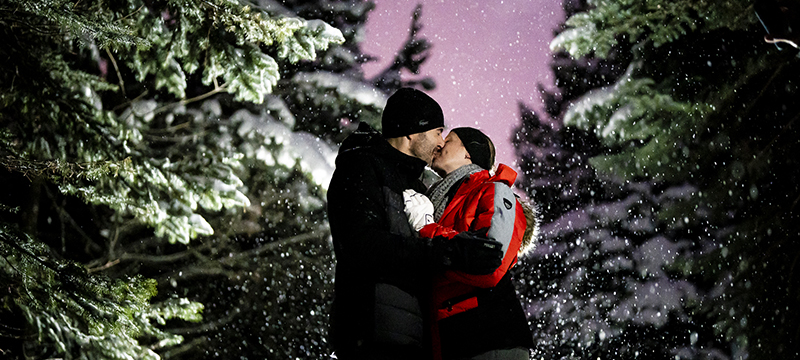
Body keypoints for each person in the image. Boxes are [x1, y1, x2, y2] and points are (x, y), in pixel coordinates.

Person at [327, 88, 505, 360]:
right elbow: (362, 245)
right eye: (437, 131)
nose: (441, 141)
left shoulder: (418, 186)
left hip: (417, 338)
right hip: (373, 331)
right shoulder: (362, 166)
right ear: (411, 132)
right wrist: (447, 252)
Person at [405, 127, 537, 360]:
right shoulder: (442, 199)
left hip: (490, 338)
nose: (440, 144)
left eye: (449, 140)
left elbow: (490, 264)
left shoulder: (494, 191)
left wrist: (426, 228)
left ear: (469, 153)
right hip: (453, 340)